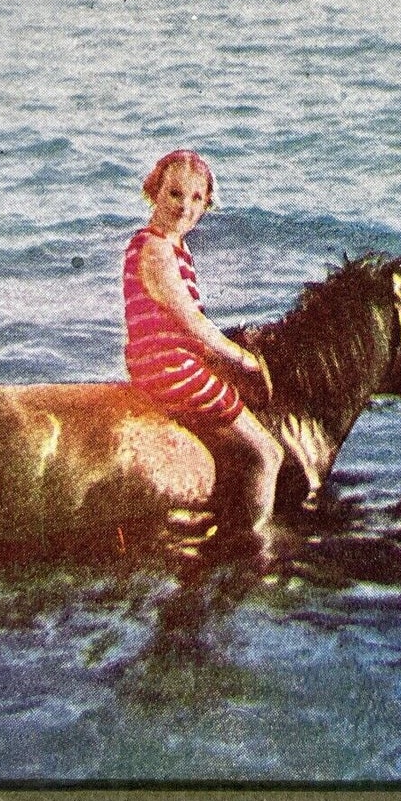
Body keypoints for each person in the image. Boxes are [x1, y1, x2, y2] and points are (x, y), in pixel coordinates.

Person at [124, 150, 283, 554]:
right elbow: (191, 324)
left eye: (196, 199)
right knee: (268, 452)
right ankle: (254, 542)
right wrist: (242, 358)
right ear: (153, 191)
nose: (184, 207)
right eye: (175, 194)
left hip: (161, 361)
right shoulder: (157, 250)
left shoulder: (171, 248)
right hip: (169, 368)